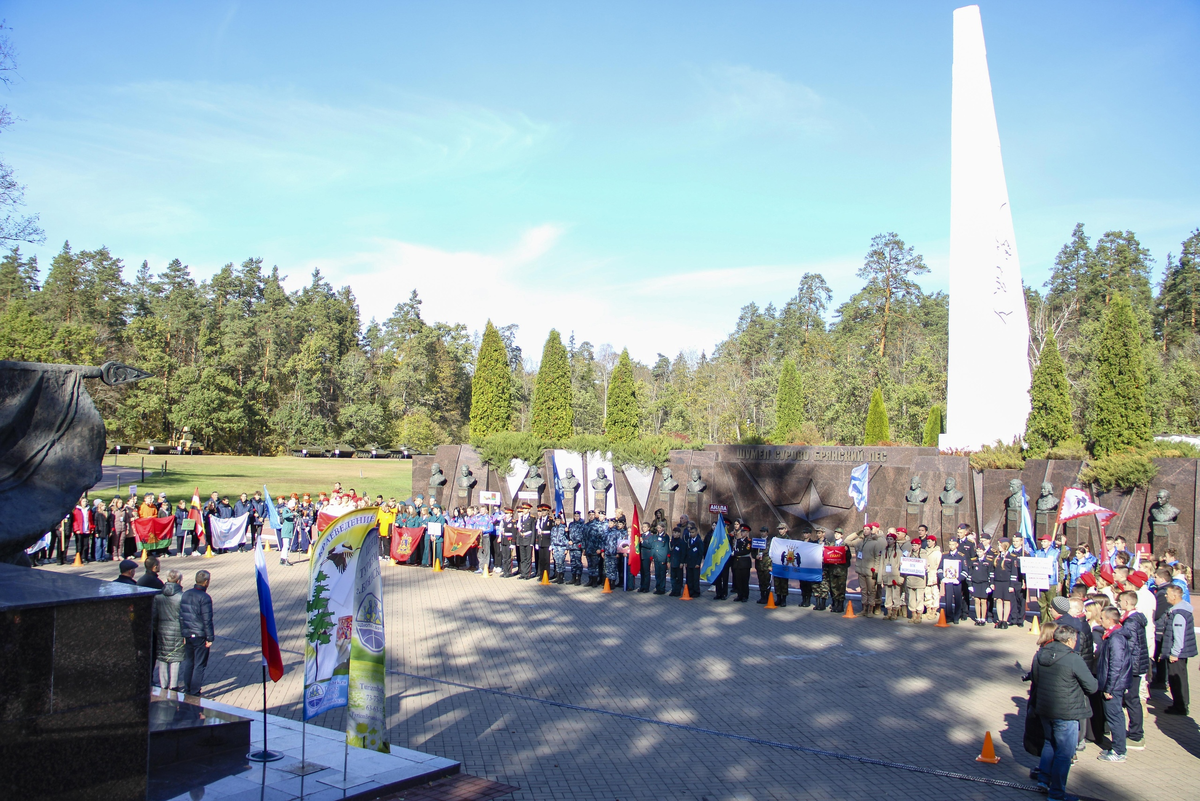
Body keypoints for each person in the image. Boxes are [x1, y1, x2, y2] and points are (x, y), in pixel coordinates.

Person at [1031, 625, 1098, 800]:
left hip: (1045, 708)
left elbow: (1035, 679)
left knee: (1049, 743)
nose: (1076, 643)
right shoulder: (1073, 659)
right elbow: (1092, 686)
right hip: (1066, 712)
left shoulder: (1040, 654)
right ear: (1069, 641)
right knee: (1064, 752)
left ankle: (1043, 780)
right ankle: (1057, 793)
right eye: (1075, 640)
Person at [1094, 607, 1132, 762]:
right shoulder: (1113, 636)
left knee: (1115, 717)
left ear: (1110, 620)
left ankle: (1119, 751)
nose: (1100, 620)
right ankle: (1117, 747)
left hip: (1114, 686)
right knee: (1114, 716)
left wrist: (1109, 688)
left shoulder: (1116, 639)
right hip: (1113, 684)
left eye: (1102, 618)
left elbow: (1116, 665)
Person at [1117, 591, 1148, 749]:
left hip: (1133, 667)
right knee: (1131, 699)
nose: (1119, 603)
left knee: (1132, 699)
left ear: (1128, 603)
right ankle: (1135, 732)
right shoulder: (1134, 619)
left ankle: (1136, 735)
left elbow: (1129, 645)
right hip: (1136, 664)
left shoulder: (1130, 622)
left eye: (1121, 601)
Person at [1160, 584, 1195, 716]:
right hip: (1180, 653)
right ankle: (1180, 704)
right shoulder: (1181, 610)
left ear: (1175, 596)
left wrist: (1174, 653)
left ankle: (1180, 706)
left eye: (1168, 594)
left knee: (1177, 679)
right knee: (1180, 678)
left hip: (1177, 654)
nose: (1166, 596)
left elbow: (1178, 635)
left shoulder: (1178, 614)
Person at [179, 570, 214, 697]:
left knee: (189, 662)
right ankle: (195, 691)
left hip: (188, 633)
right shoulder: (205, 598)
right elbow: (207, 619)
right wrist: (210, 637)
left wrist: (183, 633)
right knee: (199, 664)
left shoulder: (186, 594)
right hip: (200, 634)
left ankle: (187, 689)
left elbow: (181, 616)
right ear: (206, 582)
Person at [153, 569, 185, 691]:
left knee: (162, 657)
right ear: (178, 581)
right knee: (175, 659)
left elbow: (154, 617)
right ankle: (173, 685)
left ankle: (163, 684)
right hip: (177, 630)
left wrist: (157, 629)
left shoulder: (158, 597)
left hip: (162, 629)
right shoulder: (181, 597)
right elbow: (183, 617)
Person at [845, 522, 883, 616]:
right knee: (864, 590)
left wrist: (876, 570)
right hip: (860, 569)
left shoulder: (875, 543)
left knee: (871, 590)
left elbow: (877, 558)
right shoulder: (859, 541)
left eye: (867, 529)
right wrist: (856, 533)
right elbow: (847, 541)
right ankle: (864, 609)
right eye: (864, 529)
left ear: (871, 531)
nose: (865, 531)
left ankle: (870, 609)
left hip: (870, 570)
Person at [938, 536, 965, 623]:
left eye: (953, 544)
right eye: (950, 544)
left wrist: (959, 579)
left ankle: (956, 616)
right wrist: (942, 577)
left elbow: (965, 570)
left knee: (958, 598)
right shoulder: (945, 555)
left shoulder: (961, 556)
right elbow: (940, 568)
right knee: (948, 598)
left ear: (957, 545)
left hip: (957, 581)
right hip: (948, 580)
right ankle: (949, 616)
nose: (951, 546)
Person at [639, 521, 670, 595]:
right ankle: (658, 587)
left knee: (662, 574)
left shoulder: (666, 536)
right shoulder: (655, 536)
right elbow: (653, 547)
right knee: (657, 574)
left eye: (660, 528)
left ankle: (662, 588)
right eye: (658, 528)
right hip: (656, 557)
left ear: (663, 528)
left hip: (662, 557)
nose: (659, 529)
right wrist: (652, 556)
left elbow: (666, 548)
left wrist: (667, 559)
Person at [883, 529, 905, 621]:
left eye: (891, 539)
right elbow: (881, 564)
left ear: (895, 540)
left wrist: (900, 578)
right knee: (888, 595)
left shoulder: (899, 552)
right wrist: (881, 577)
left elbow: (901, 566)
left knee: (895, 594)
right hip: (887, 576)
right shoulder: (885, 551)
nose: (889, 541)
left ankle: (895, 612)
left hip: (895, 576)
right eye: (888, 539)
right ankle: (889, 612)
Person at [730, 524, 753, 602]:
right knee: (738, 580)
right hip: (737, 563)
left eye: (744, 532)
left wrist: (736, 553)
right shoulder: (738, 541)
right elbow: (735, 549)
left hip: (744, 562)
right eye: (741, 531)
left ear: (747, 533)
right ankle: (739, 595)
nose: (742, 533)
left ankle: (745, 596)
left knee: (744, 580)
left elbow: (746, 551)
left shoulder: (748, 542)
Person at [684, 522, 703, 598]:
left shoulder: (699, 541)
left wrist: (698, 563)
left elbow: (700, 553)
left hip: (695, 563)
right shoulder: (688, 541)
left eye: (693, 532)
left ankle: (696, 591)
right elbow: (686, 552)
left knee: (695, 578)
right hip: (689, 562)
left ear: (696, 532)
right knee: (690, 578)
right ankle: (690, 591)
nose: (691, 534)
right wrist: (685, 561)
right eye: (690, 532)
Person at [753, 526, 772, 604]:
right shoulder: (757, 541)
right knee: (761, 581)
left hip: (767, 565)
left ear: (767, 532)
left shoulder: (770, 542)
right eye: (761, 531)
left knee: (767, 582)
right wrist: (755, 556)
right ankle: (762, 596)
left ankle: (767, 597)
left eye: (764, 531)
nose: (762, 533)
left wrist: (771, 565)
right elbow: (753, 551)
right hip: (759, 565)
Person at [516, 505, 535, 580]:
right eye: (523, 509)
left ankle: (527, 574)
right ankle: (523, 573)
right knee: (522, 558)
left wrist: (532, 542)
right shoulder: (521, 518)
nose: (524, 510)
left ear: (529, 510)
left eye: (526, 509)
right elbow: (519, 530)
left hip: (528, 539)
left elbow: (533, 531)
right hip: (522, 539)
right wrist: (518, 541)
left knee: (528, 558)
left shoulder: (531, 518)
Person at [550, 513, 569, 584]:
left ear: (560, 520)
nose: (557, 521)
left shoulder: (564, 528)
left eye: (558, 520)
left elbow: (567, 538)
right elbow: (552, 538)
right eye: (556, 520)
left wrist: (567, 548)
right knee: (557, 563)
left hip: (562, 547)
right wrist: (552, 548)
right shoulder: (553, 528)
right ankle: (558, 577)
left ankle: (561, 577)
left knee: (561, 563)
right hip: (555, 547)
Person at [668, 524, 686, 597]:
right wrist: (669, 561)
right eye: (673, 532)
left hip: (679, 563)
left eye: (676, 532)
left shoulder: (681, 542)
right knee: (673, 577)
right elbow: (670, 552)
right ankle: (673, 590)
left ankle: (678, 591)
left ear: (679, 533)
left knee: (679, 578)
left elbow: (683, 553)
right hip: (673, 562)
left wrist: (682, 562)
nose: (674, 534)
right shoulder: (672, 542)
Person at [278, 498, 296, 565]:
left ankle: (283, 558)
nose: (293, 508)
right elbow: (284, 516)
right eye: (292, 507)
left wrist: (296, 514)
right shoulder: (286, 510)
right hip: (286, 530)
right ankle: (285, 559)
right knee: (286, 545)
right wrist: (292, 514)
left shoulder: (291, 511)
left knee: (286, 545)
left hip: (290, 531)